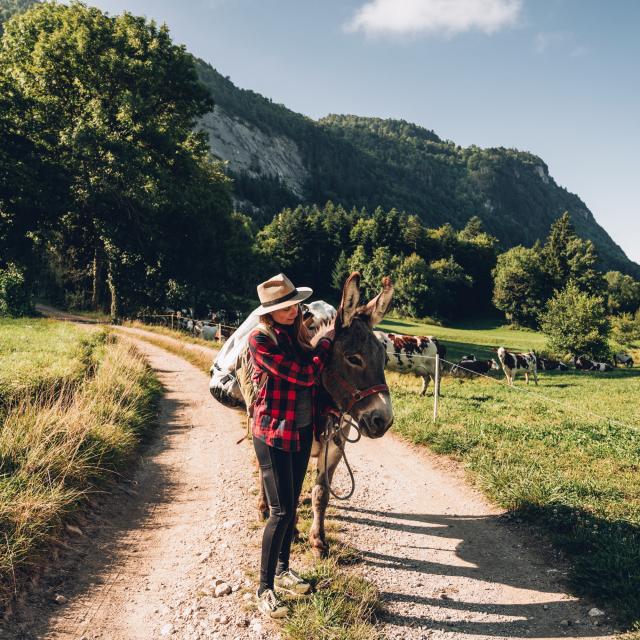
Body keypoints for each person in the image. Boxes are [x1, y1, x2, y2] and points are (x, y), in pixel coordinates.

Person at [248, 273, 333, 619]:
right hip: (271, 434)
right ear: (269, 311)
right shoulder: (260, 339)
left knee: (292, 505)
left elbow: (313, 388)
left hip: (299, 431)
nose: (293, 310)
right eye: (284, 307)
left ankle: (283, 570)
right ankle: (264, 588)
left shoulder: (298, 335)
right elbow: (303, 375)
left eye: (294, 304)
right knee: (280, 511)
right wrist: (325, 345)